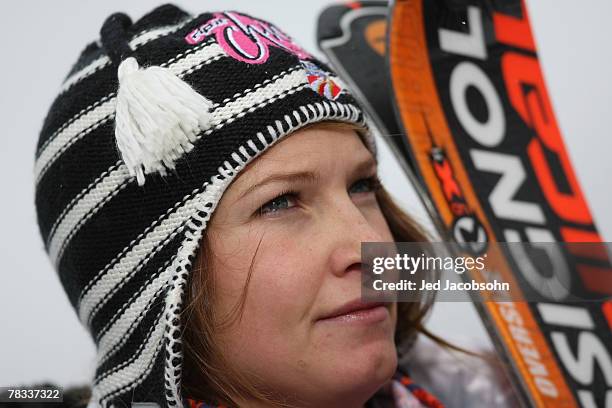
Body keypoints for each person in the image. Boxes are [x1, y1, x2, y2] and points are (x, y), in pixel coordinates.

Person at [33, 4, 516, 408]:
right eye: (281, 202)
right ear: (148, 293)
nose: (369, 244)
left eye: (362, 185)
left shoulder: (492, 388)